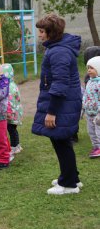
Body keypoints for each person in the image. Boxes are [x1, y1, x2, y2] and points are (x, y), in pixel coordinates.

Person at [32, 13, 82, 195]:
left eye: (42, 31)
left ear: (51, 33)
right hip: (65, 102)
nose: (39, 34)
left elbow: (60, 84)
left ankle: (68, 184)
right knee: (62, 140)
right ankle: (72, 177)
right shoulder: (57, 48)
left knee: (60, 141)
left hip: (62, 104)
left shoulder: (59, 51)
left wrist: (51, 112)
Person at [1, 63, 24, 156]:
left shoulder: (7, 87)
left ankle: (14, 147)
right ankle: (17, 145)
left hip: (11, 113)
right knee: (13, 129)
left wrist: (8, 112)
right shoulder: (12, 84)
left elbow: (8, 101)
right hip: (16, 111)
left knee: (11, 129)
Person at [82, 56, 100, 159]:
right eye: (88, 67)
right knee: (91, 131)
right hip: (89, 112)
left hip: (98, 113)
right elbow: (86, 95)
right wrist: (83, 106)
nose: (89, 70)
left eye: (92, 68)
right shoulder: (89, 81)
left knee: (98, 130)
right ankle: (96, 147)